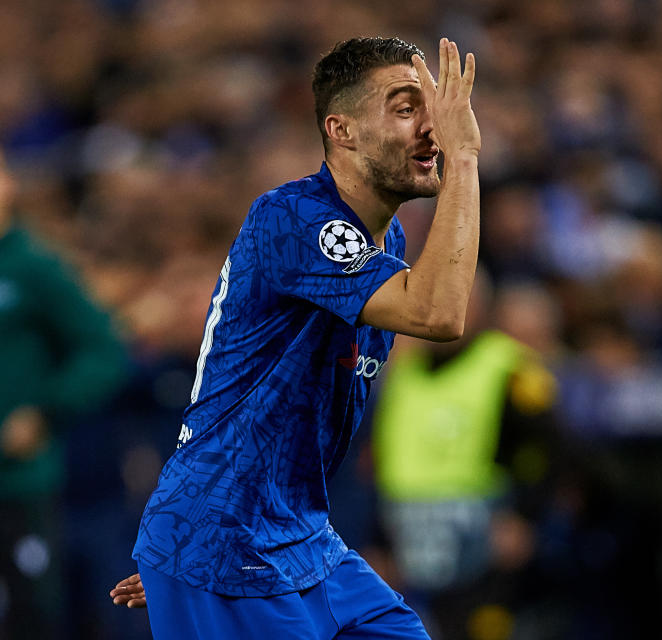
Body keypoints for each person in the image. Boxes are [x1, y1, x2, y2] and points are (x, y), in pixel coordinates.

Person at [109, 36, 480, 639]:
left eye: (433, 109)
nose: (434, 126)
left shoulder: (387, 248)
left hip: (294, 536)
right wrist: (464, 160)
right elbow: (439, 313)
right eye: (407, 107)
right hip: (228, 537)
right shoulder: (291, 217)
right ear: (343, 130)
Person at [0, 133, 127, 638]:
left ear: (3, 185)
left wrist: (44, 412)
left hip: (11, 488)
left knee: (29, 622)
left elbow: (104, 353)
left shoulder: (35, 269)